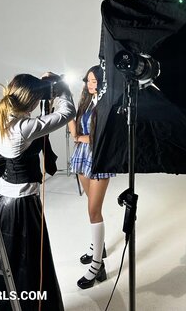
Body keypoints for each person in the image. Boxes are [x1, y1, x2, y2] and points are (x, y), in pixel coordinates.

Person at [0, 72, 75, 310]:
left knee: (8, 257)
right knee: (29, 261)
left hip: (2, 199)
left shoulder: (2, 116)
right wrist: (62, 89)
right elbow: (67, 113)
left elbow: (35, 118)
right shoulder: (24, 127)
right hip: (23, 203)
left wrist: (43, 88)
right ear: (31, 100)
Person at [69, 65, 115, 289]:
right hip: (82, 157)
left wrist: (80, 137)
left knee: (93, 211)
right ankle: (98, 247)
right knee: (91, 206)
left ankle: (98, 265)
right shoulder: (86, 102)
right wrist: (67, 109)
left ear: (103, 82)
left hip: (99, 158)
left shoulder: (107, 104)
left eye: (94, 81)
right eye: (88, 81)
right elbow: (75, 133)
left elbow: (99, 138)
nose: (90, 85)